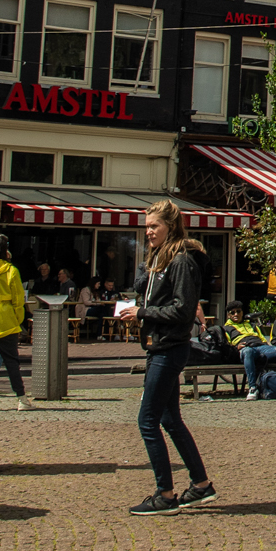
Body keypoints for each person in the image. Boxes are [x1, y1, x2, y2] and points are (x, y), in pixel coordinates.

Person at [110, 201, 216, 515]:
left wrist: (142, 311)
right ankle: (200, 485)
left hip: (168, 348)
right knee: (170, 419)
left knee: (147, 420)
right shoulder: (161, 259)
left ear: (170, 226)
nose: (149, 232)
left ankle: (165, 494)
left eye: (154, 226)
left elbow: (183, 310)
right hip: (160, 345)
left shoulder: (180, 261)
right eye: (146, 227)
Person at [224, 302, 276, 399]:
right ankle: (253, 388)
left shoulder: (252, 325)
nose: (236, 314)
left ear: (242, 312)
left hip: (261, 347)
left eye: (238, 311)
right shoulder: (226, 328)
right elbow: (226, 346)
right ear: (228, 315)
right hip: (245, 348)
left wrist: (268, 347)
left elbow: (263, 339)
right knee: (248, 351)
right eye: (233, 312)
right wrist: (236, 347)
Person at [0, 245, 29, 410]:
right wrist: (17, 319)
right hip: (6, 320)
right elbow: (18, 297)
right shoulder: (11, 270)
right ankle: (21, 399)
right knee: (12, 362)